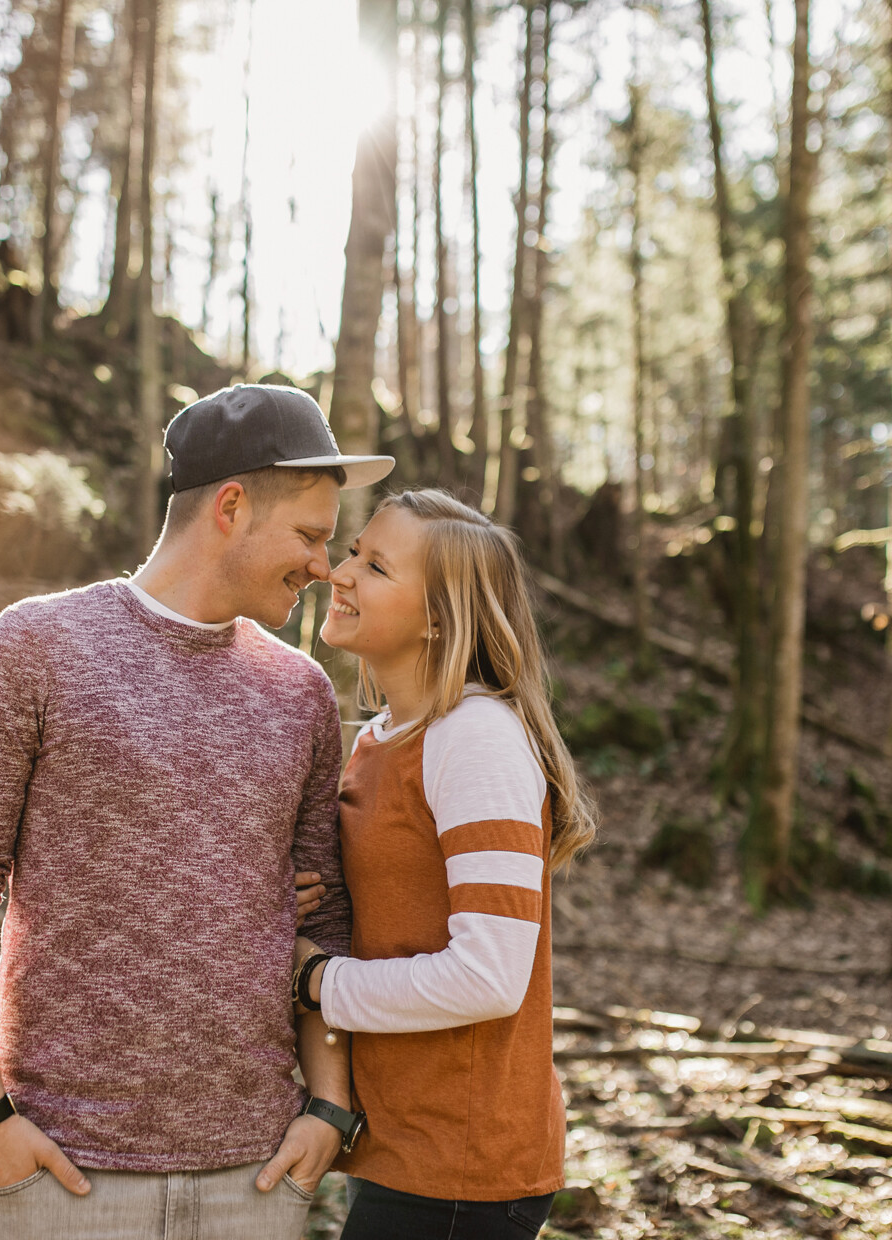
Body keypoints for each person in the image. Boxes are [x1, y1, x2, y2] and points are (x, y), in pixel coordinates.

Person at [0, 384, 393, 1239]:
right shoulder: (35, 647)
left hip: (255, 1177)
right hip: (63, 1177)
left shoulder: (301, 693)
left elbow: (331, 912)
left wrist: (328, 1104)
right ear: (233, 508)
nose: (325, 566)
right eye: (311, 537)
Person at [289, 489, 596, 1240]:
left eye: (377, 566)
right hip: (406, 1146)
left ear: (437, 618)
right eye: (354, 551)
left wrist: (315, 981)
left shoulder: (475, 737)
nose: (342, 573)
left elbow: (488, 977)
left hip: (464, 1163)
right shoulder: (384, 736)